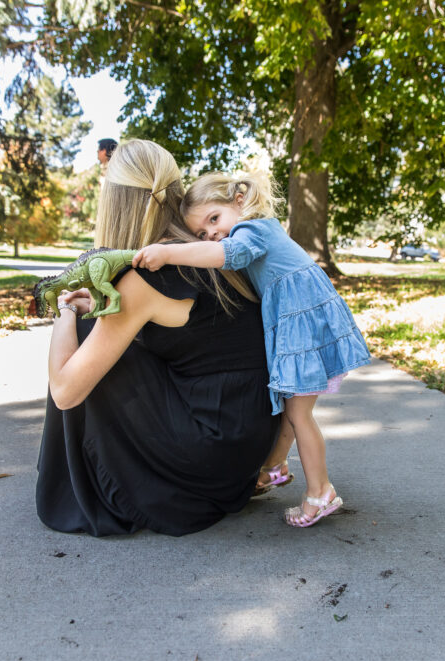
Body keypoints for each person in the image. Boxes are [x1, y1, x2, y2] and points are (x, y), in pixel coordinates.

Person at [36, 140, 281, 537]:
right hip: (245, 445)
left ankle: (75, 489)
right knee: (106, 328)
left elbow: (65, 391)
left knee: (85, 333)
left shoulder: (146, 276)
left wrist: (64, 309)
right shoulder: (205, 249)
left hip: (212, 455)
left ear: (114, 204)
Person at [132, 171, 372, 528]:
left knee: (300, 414)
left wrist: (169, 253)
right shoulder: (258, 229)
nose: (212, 233)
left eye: (214, 219)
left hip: (303, 324)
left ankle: (320, 492)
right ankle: (274, 467)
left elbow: (226, 254)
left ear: (238, 200)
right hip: (301, 322)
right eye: (202, 232)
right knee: (294, 404)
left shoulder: (252, 230)